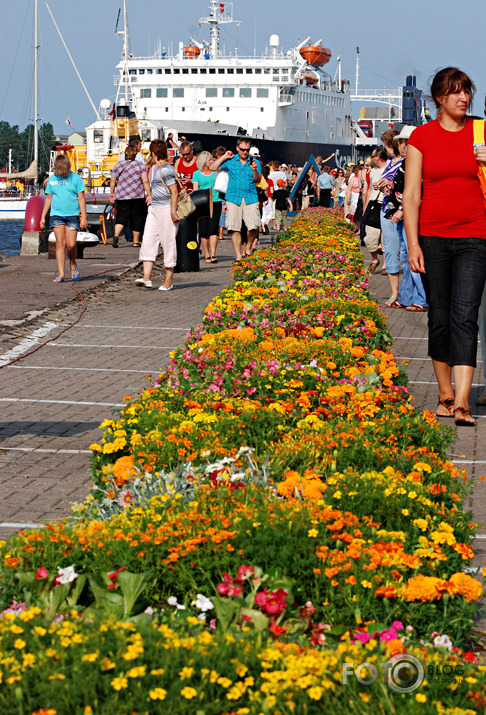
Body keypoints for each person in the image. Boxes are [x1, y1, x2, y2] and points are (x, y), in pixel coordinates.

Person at [404, 67, 486, 426]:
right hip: (433, 238)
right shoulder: (421, 137)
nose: (463, 98)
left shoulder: (482, 132)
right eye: (455, 92)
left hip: (475, 235)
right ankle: (445, 393)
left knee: (465, 318)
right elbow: (411, 195)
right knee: (439, 318)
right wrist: (412, 245)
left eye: (466, 91)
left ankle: (464, 402)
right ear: (439, 98)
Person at [386, 127, 428, 312]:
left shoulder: (416, 162)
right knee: (405, 257)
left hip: (409, 214)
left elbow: (417, 190)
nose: (401, 146)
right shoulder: (406, 162)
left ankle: (422, 298)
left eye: (404, 142)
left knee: (412, 256)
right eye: (401, 142)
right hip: (402, 213)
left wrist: (402, 210)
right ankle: (406, 296)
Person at [135, 139, 179, 291]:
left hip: (166, 209)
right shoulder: (154, 169)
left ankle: (168, 280)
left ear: (153, 154)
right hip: (154, 208)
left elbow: (174, 192)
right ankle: (146, 277)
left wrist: (173, 212)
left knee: (168, 242)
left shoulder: (166, 169)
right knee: (148, 240)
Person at [209, 138, 261, 262]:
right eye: (242, 149)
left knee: (254, 226)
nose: (245, 152)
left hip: (250, 196)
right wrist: (224, 157)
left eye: (247, 150)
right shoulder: (231, 161)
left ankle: (248, 246)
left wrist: (254, 169)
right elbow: (212, 167)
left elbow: (258, 180)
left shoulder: (255, 162)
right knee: (234, 227)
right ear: (237, 148)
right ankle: (238, 255)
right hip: (233, 197)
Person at [40, 155, 87, 283]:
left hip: (73, 215)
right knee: (60, 243)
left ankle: (72, 263)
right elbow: (48, 198)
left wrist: (84, 217)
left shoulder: (76, 179)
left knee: (71, 245)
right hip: (57, 215)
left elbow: (81, 198)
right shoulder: (52, 179)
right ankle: (61, 274)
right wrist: (43, 216)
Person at [378, 129, 404, 307]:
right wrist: (381, 186)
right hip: (386, 208)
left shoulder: (405, 163)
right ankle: (394, 293)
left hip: (401, 209)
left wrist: (390, 185)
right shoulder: (388, 163)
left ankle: (408, 294)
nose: (385, 149)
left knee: (405, 251)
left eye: (386, 145)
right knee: (390, 250)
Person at [109, 144, 151, 248]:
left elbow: (113, 180)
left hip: (122, 195)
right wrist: (149, 193)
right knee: (137, 217)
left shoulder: (118, 165)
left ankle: (116, 236)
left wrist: (112, 192)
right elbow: (145, 181)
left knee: (121, 216)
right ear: (135, 154)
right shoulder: (140, 166)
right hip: (137, 195)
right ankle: (136, 241)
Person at [193, 150, 222, 263]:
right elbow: (195, 190)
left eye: (211, 159)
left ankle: (213, 254)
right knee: (204, 230)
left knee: (213, 229)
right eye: (209, 160)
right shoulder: (197, 174)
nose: (211, 161)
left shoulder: (216, 173)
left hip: (216, 201)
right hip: (203, 203)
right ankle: (206, 254)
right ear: (203, 162)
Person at [362, 147, 387, 273]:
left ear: (378, 157)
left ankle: (386, 265)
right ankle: (375, 259)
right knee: (370, 237)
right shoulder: (372, 172)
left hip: (387, 205)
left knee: (386, 238)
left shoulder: (390, 168)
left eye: (372, 156)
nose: (371, 159)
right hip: (374, 205)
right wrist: (365, 206)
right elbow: (368, 190)